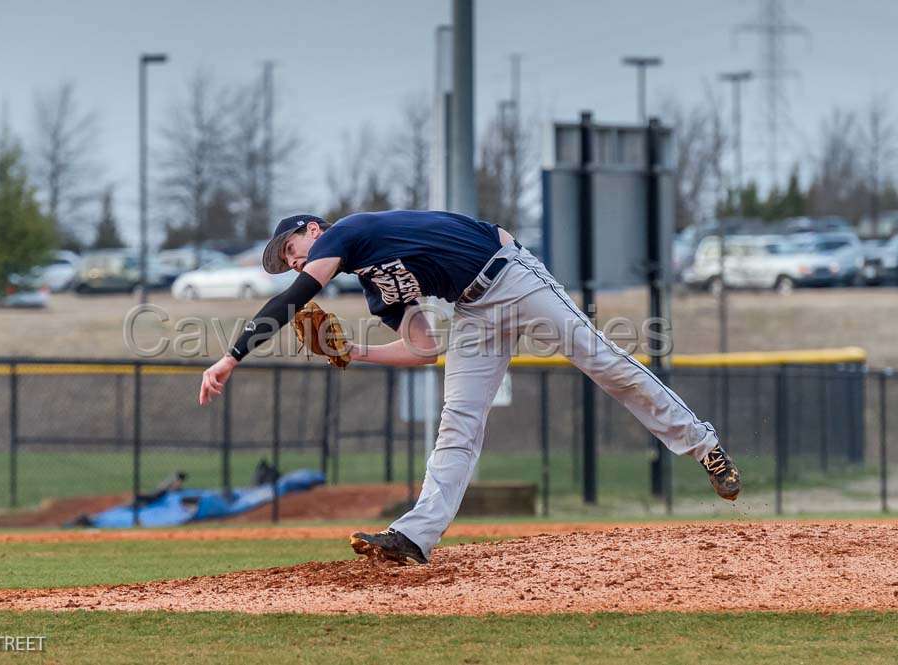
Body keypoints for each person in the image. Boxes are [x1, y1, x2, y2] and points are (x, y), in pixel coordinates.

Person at [198, 210, 740, 565]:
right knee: (456, 420)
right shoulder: (376, 289)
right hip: (474, 310)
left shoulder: (346, 231)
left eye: (291, 248)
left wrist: (230, 357)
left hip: (513, 275)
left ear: (313, 229)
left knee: (604, 361)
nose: (293, 261)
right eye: (286, 260)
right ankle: (415, 535)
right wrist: (354, 352)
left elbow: (291, 298)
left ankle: (703, 445)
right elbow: (422, 348)